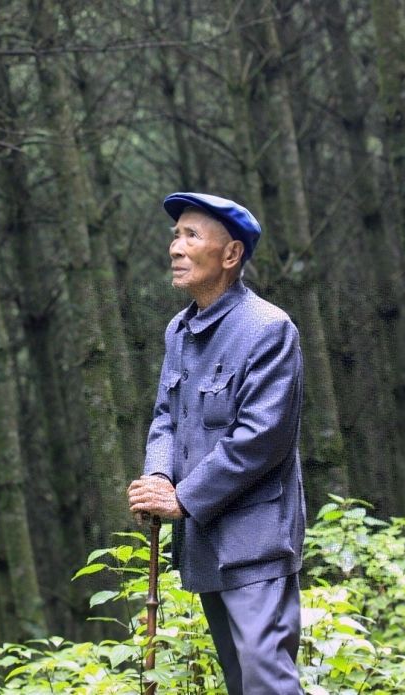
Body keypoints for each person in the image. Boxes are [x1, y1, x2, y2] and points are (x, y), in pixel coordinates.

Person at [127, 192, 306, 694]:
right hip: (206, 539)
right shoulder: (179, 331)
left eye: (191, 236)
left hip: (257, 539)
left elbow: (260, 439)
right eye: (174, 235)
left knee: (266, 679)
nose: (175, 248)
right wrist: (159, 476)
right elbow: (166, 415)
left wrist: (182, 497)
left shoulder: (270, 329)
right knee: (239, 681)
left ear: (230, 255)